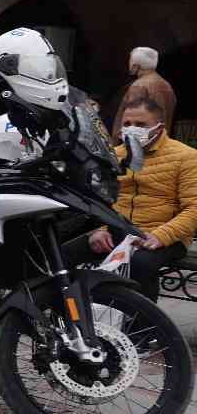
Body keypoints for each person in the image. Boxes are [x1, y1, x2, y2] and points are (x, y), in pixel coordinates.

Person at [78, 96, 197, 298]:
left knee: (141, 263)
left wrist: (161, 236)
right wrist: (97, 230)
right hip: (118, 228)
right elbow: (99, 199)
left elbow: (193, 208)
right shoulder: (113, 155)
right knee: (61, 253)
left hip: (165, 234)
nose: (132, 128)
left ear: (159, 127)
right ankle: (57, 316)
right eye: (127, 124)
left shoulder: (186, 157)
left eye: (140, 124)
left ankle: (146, 326)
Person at [112, 47, 176, 136]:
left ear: (136, 66)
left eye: (130, 61)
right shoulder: (165, 84)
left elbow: (132, 119)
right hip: (162, 141)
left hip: (141, 142)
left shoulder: (139, 86)